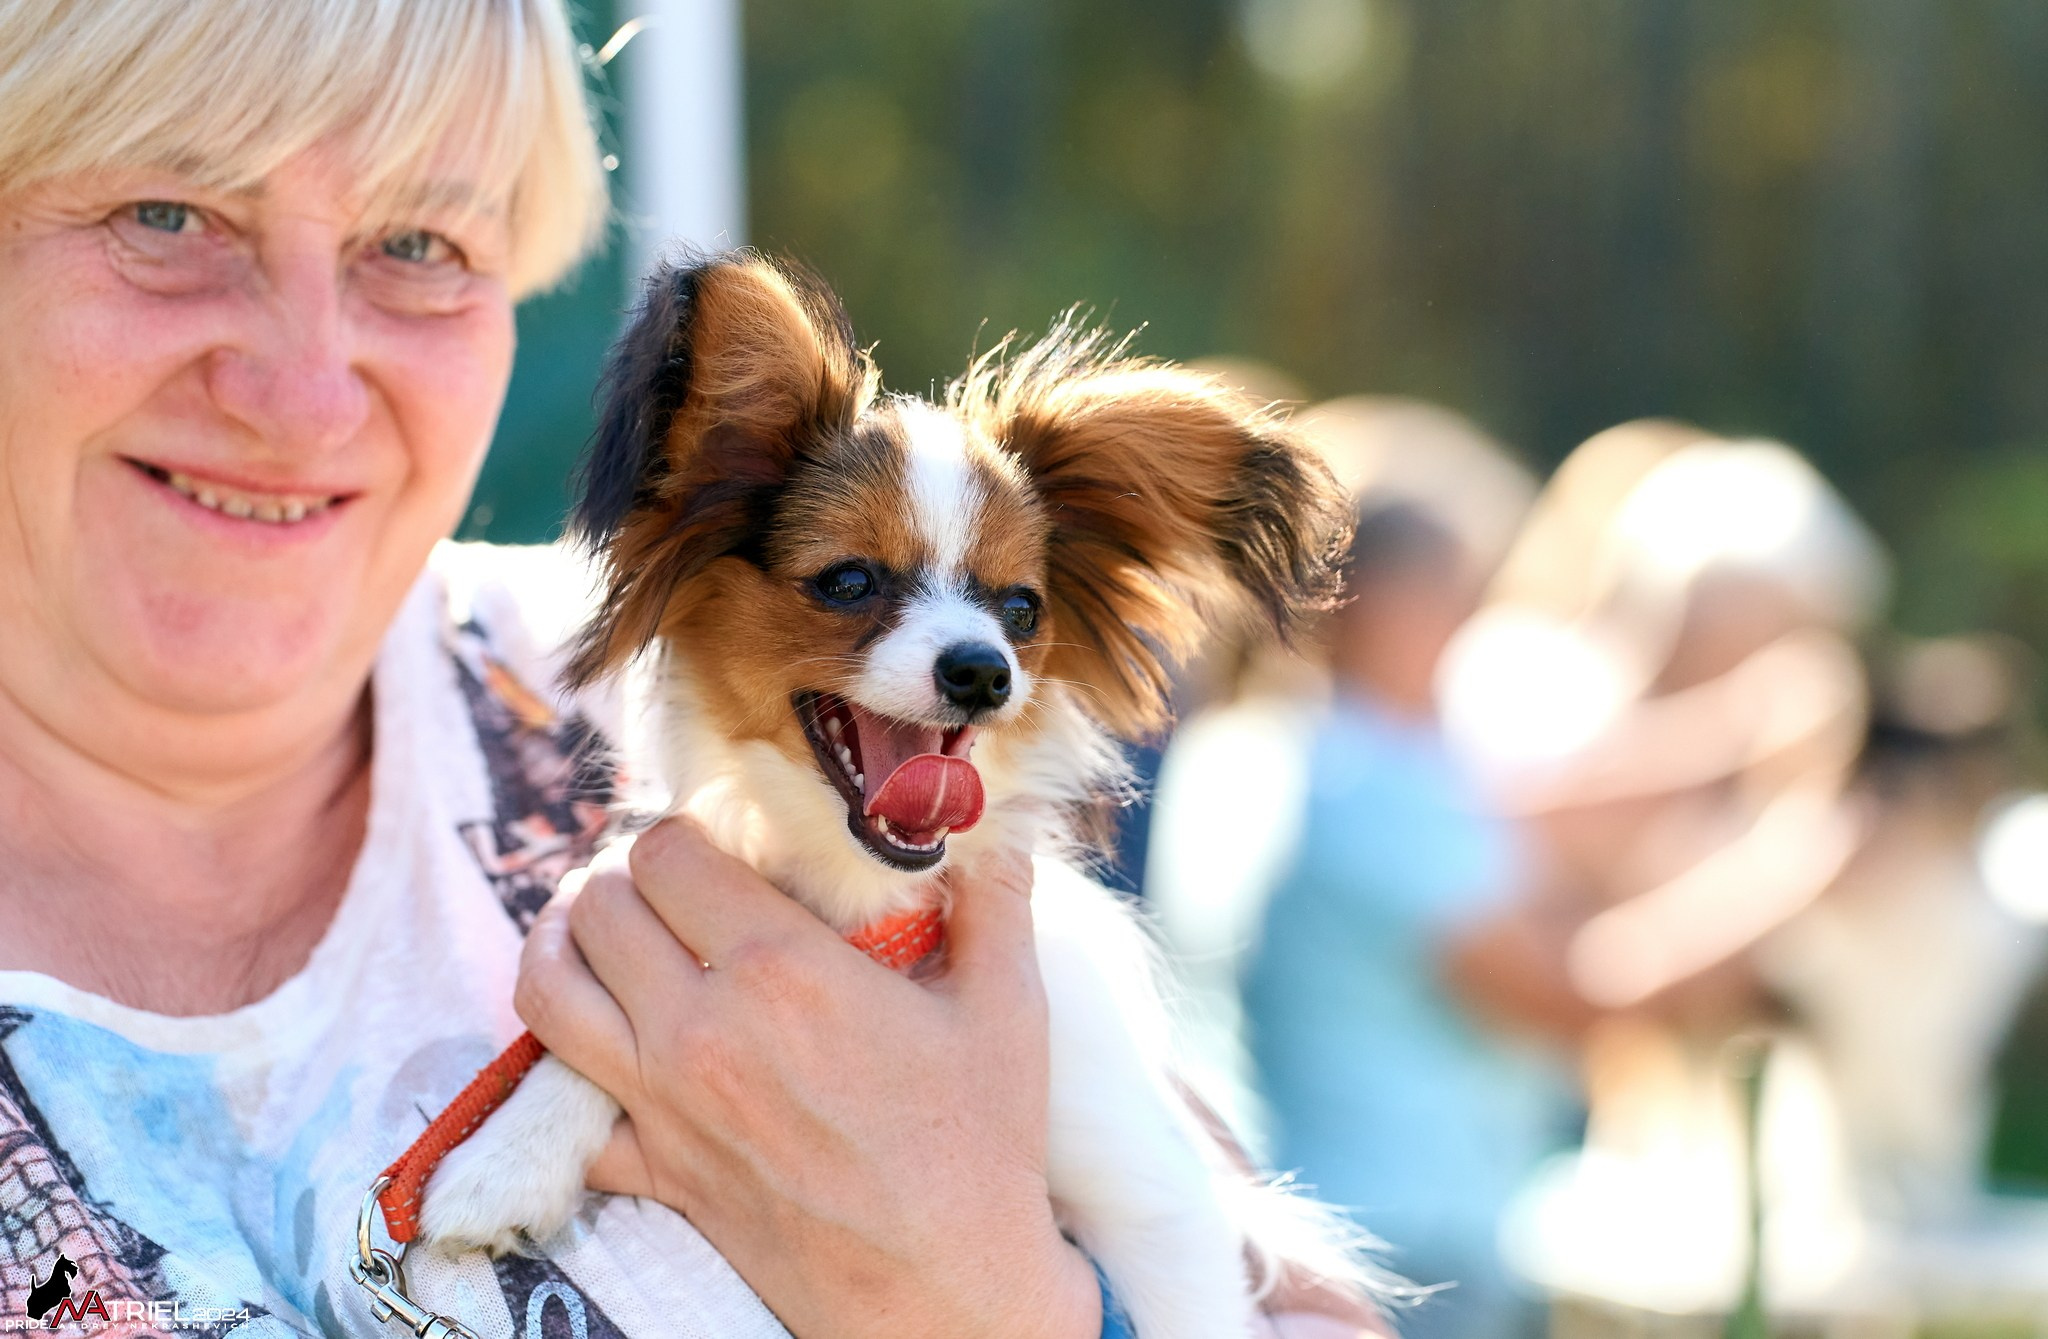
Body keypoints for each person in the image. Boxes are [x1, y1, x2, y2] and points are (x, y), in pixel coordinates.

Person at [0, 2, 1373, 1335]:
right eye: (163, 216)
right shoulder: (720, 663)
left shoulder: (643, 694)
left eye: (421, 240)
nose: (303, 389)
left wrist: (983, 1297)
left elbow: (1292, 1304)